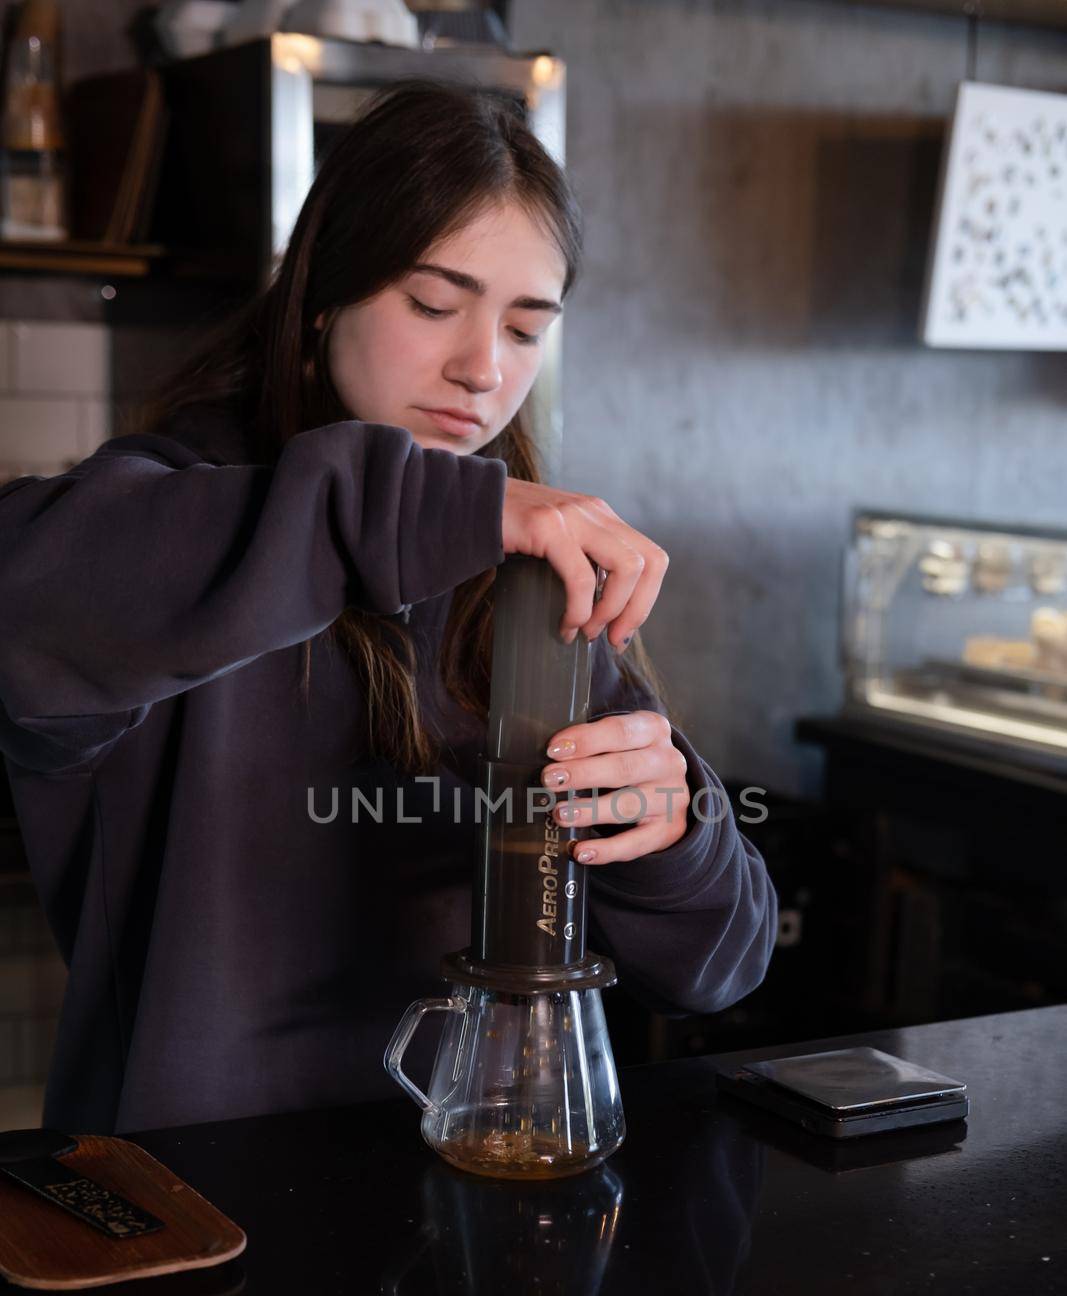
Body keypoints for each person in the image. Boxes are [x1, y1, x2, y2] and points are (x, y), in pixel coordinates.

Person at [0, 81, 777, 1135]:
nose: (481, 367)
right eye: (431, 303)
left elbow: (717, 968)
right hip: (184, 1224)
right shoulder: (169, 516)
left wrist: (670, 826)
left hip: (466, 1200)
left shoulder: (530, 580)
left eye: (524, 326)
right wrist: (439, 510)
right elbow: (30, 595)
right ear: (322, 296)